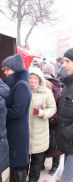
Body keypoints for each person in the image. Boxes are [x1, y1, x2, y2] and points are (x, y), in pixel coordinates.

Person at [2, 54, 32, 182]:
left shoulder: (21, 85)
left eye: (7, 69)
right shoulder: (16, 85)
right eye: (4, 70)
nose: (5, 73)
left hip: (18, 132)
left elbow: (17, 111)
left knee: (18, 163)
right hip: (13, 130)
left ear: (16, 69)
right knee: (14, 164)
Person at [27, 68, 56, 182]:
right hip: (26, 132)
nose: (33, 80)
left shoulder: (46, 92)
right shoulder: (24, 91)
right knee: (24, 161)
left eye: (35, 78)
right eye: (31, 78)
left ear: (40, 80)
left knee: (37, 162)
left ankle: (33, 180)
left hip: (40, 134)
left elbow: (53, 108)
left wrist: (44, 113)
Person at [41, 64, 63, 175]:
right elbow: (60, 109)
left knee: (44, 142)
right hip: (55, 121)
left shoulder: (39, 85)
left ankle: (41, 164)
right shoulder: (58, 89)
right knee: (56, 145)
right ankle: (55, 166)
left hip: (43, 119)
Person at [57, 48, 73, 182]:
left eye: (68, 61)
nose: (64, 65)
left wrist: (68, 133)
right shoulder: (69, 84)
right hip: (69, 145)